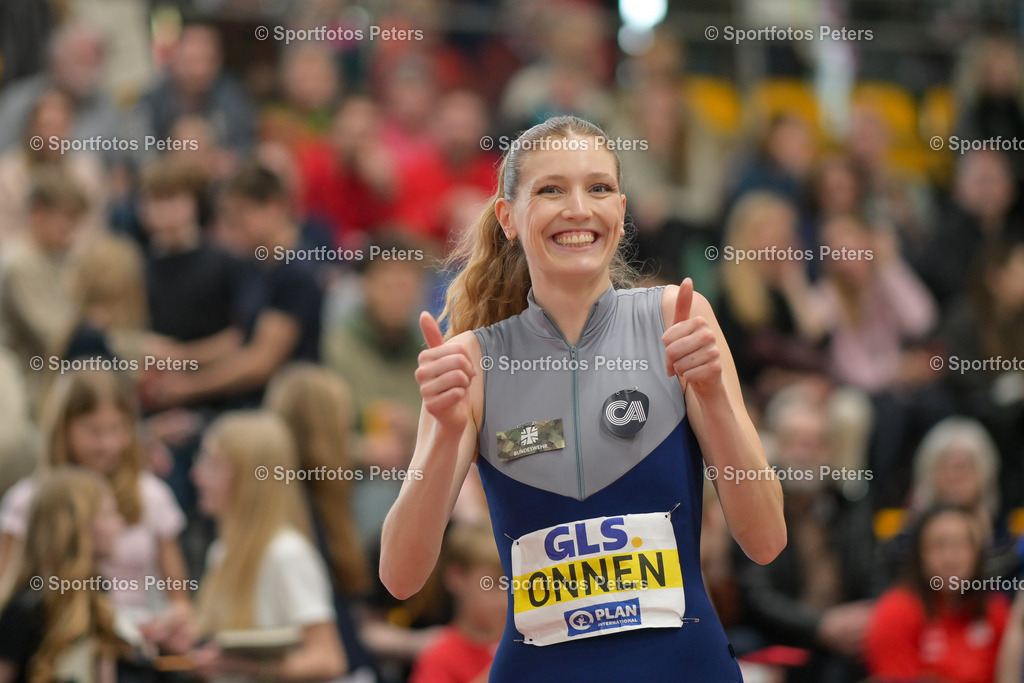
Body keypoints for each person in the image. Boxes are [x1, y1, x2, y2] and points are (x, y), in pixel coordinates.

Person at [380, 115, 785, 681]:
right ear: (509, 218)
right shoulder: (468, 362)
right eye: (551, 190)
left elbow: (766, 542)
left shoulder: (680, 320)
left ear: (620, 212)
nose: (577, 208)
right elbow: (400, 576)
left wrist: (714, 394)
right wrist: (446, 434)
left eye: (597, 188)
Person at [0, 370, 190, 628]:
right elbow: (7, 589)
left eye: (116, 429)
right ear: (63, 428)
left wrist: (167, 624)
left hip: (135, 639)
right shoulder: (28, 500)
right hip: (56, 636)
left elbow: (179, 601)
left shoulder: (150, 494)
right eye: (94, 432)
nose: (108, 445)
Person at [184, 411, 346, 681]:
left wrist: (248, 667)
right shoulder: (221, 550)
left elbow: (329, 659)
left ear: (247, 478)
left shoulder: (286, 553)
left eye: (212, 464)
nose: (197, 474)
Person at [0, 468, 154, 683]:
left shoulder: (96, 591)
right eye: (109, 514)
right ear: (78, 525)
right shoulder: (25, 606)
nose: (119, 523)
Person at [864, 504, 1010, 683]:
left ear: (977, 553)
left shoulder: (996, 609)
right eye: (938, 545)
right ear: (920, 554)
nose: (950, 557)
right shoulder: (896, 610)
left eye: (960, 544)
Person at [409, 522, 505, 683]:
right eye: (493, 583)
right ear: (456, 577)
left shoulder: (526, 639)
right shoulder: (440, 656)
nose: (506, 598)